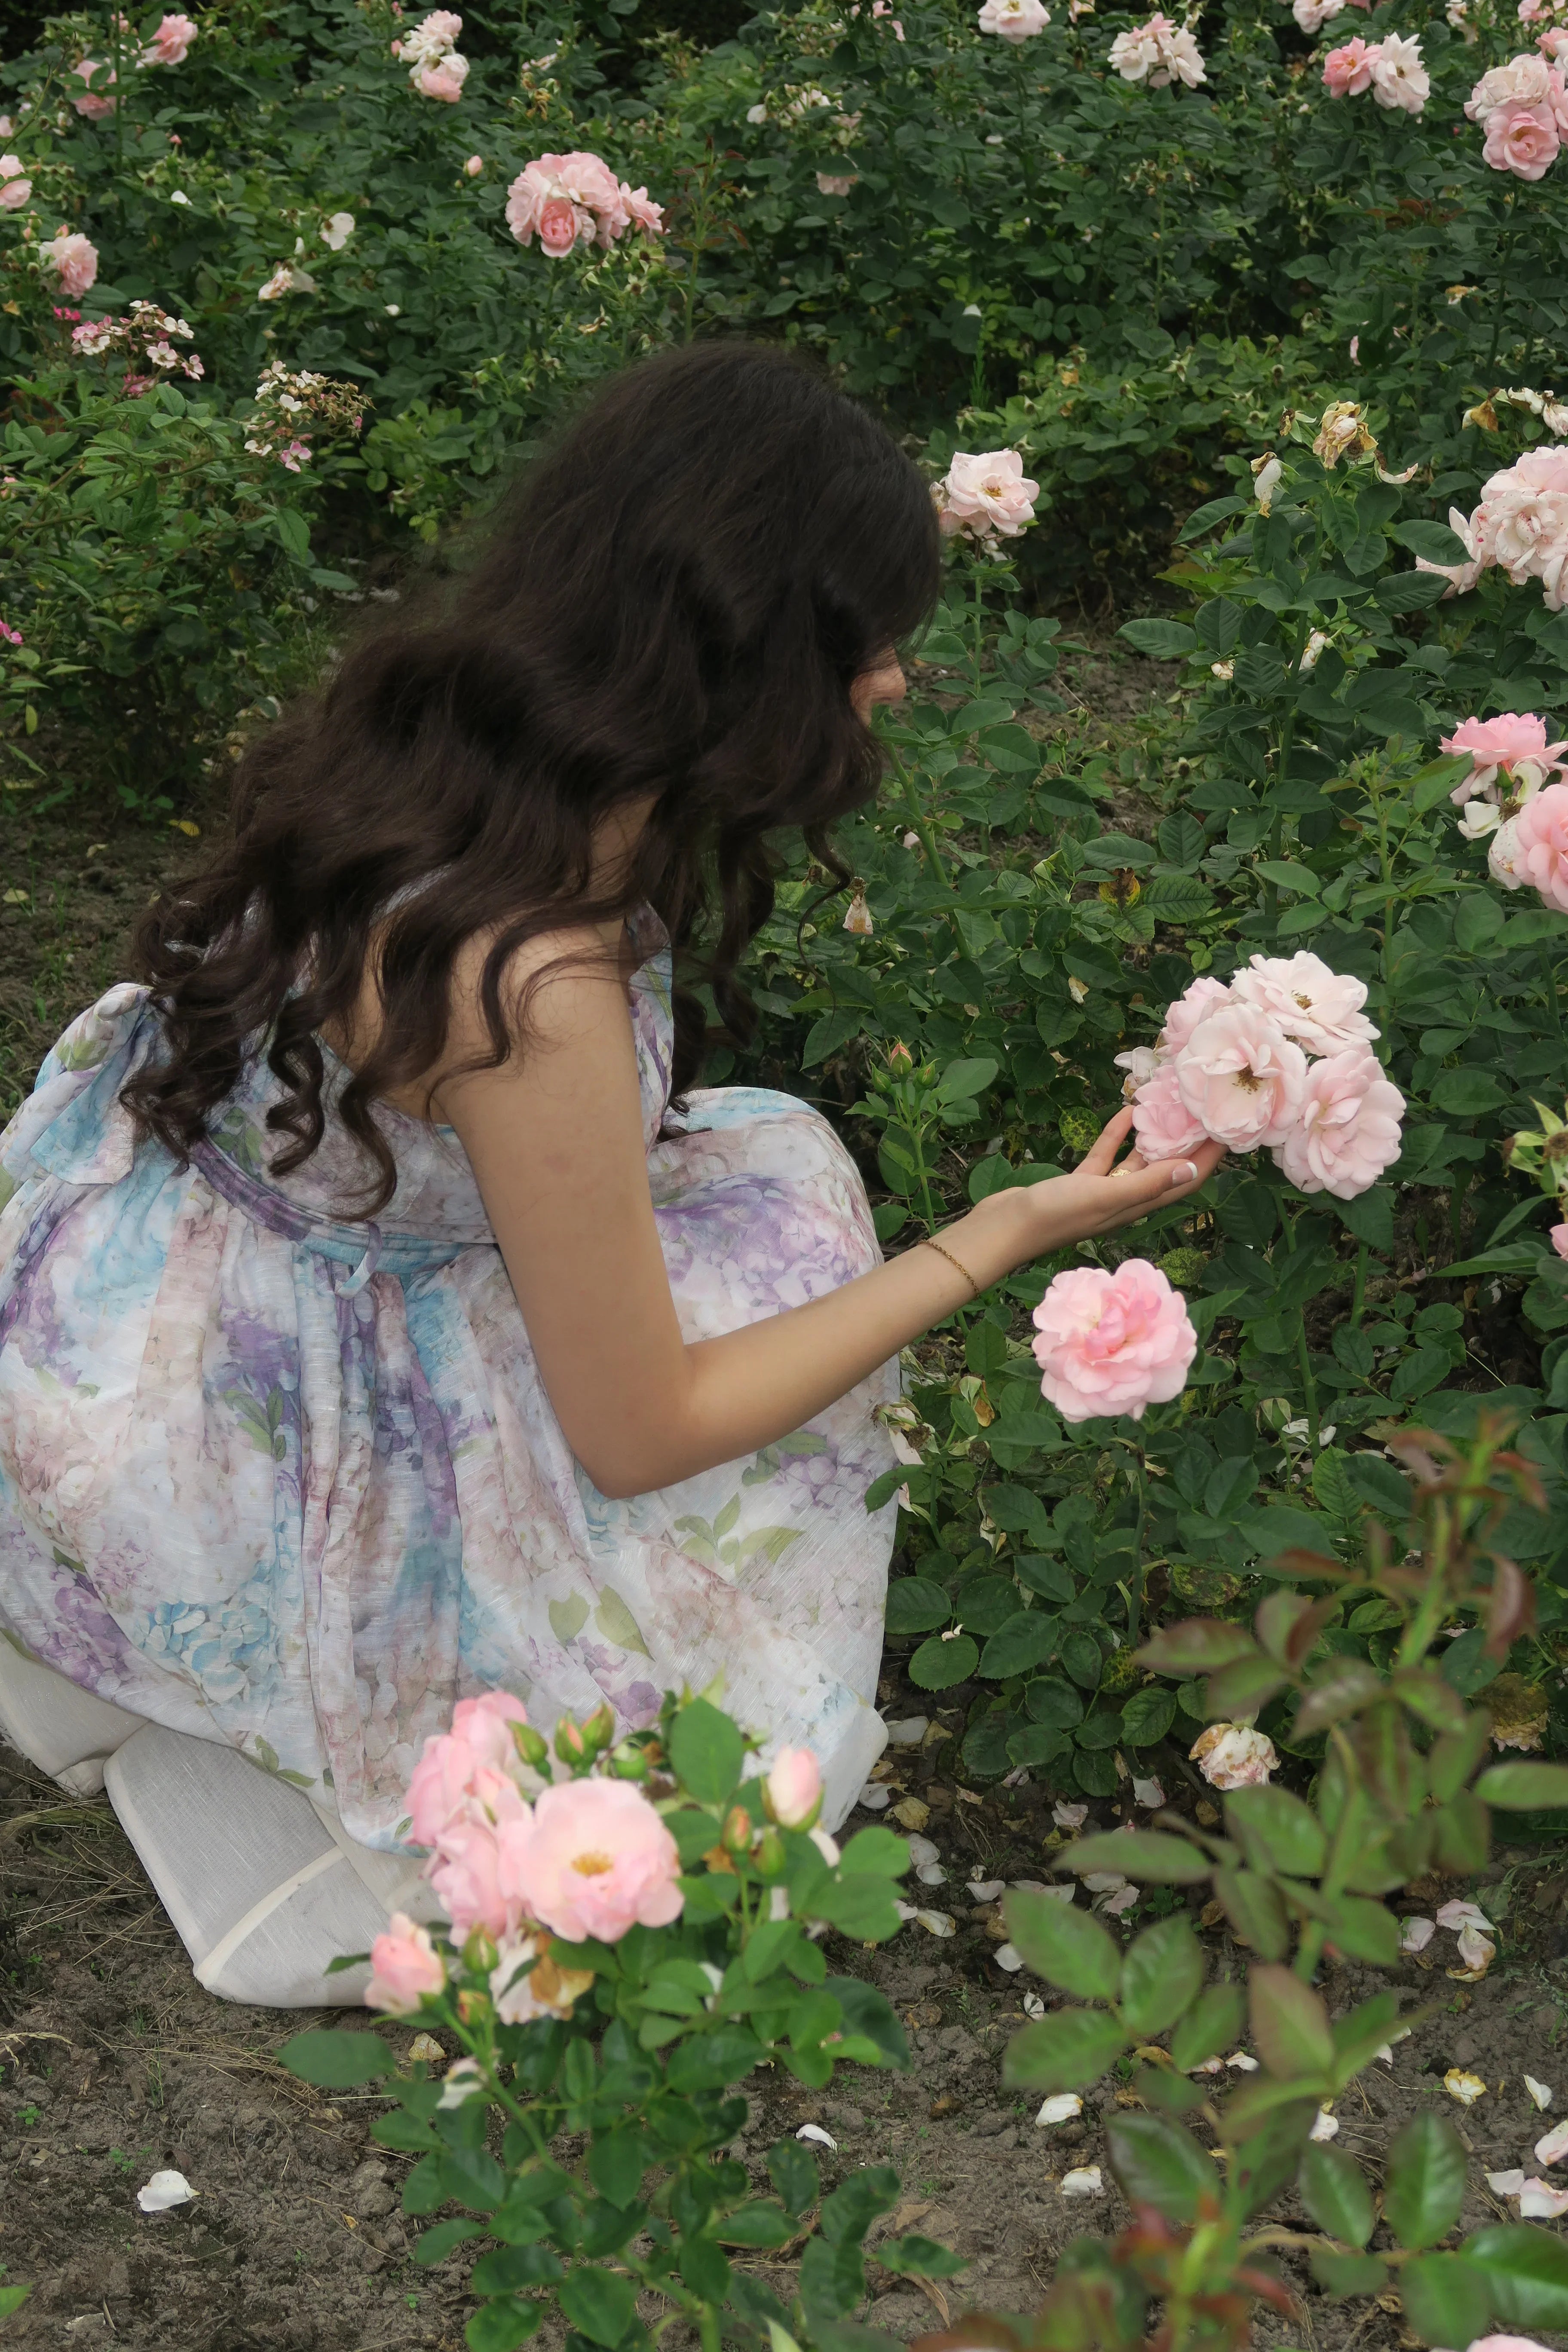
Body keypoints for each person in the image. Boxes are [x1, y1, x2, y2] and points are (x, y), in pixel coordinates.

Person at [0, 344, 1220, 2005]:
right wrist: (988, 1242)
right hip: (271, 1422)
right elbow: (638, 1433)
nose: (896, 688)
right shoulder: (533, 982)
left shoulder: (440, 738)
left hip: (153, 1279)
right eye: (867, 650)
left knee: (763, 1168)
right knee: (787, 1279)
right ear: (751, 655)